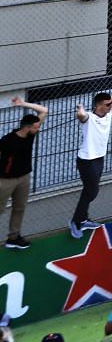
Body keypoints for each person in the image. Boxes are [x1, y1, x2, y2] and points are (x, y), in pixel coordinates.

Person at [71, 89, 112, 237]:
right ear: (98, 106)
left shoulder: (109, 113)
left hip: (99, 158)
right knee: (92, 190)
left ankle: (83, 219)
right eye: (107, 104)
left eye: (111, 103)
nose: (111, 105)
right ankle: (76, 222)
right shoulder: (89, 117)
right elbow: (82, 116)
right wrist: (80, 110)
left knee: (90, 190)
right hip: (86, 160)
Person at [0, 95, 47, 248]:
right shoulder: (7, 141)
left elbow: (44, 110)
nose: (38, 128)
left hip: (24, 178)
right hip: (5, 180)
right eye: (36, 127)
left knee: (19, 208)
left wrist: (23, 103)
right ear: (27, 127)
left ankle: (13, 238)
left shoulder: (30, 136)